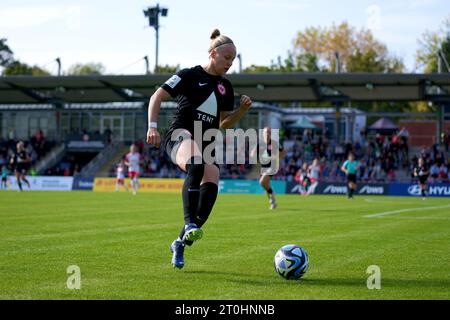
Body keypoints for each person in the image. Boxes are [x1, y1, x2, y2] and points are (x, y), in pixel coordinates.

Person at [146, 29, 252, 269]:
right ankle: (189, 222)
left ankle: (180, 242)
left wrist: (242, 111)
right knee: (197, 163)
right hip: (179, 135)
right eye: (227, 58)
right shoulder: (190, 74)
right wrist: (153, 126)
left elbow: (224, 122)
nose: (230, 64)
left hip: (206, 142)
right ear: (213, 53)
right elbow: (157, 96)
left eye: (233, 60)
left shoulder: (226, 86)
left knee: (212, 182)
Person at [251, 127, 285, 209]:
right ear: (263, 134)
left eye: (269, 132)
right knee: (265, 184)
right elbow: (253, 153)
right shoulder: (260, 144)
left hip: (273, 166)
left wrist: (277, 158)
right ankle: (273, 201)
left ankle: (272, 196)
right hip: (264, 167)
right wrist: (255, 158)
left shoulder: (275, 143)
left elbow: (283, 152)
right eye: (266, 132)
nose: (267, 134)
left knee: (262, 182)